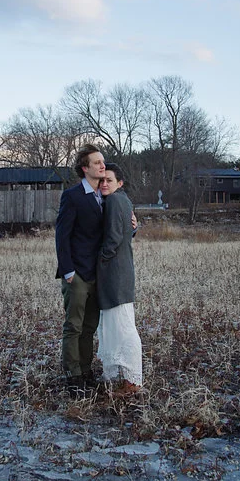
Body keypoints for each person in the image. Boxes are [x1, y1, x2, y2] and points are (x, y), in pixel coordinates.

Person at [55, 145, 106, 395]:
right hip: (76, 275)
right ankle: (72, 376)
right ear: (85, 168)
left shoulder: (106, 195)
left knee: (89, 327)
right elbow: (61, 237)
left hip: (98, 275)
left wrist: (134, 226)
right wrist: (68, 272)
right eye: (97, 162)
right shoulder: (72, 196)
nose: (102, 166)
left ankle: (86, 372)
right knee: (73, 326)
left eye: (103, 162)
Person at [96, 163, 142, 395]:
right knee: (118, 323)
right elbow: (126, 228)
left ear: (120, 183)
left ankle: (133, 381)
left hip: (115, 271)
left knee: (123, 326)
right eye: (102, 180)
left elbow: (113, 238)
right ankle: (124, 377)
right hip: (121, 269)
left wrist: (99, 259)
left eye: (109, 180)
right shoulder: (122, 200)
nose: (104, 184)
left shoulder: (114, 200)